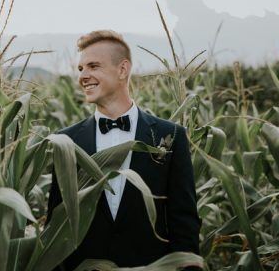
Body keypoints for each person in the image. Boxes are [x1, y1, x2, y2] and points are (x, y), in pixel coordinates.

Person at [47, 30, 200, 269]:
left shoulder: (170, 136)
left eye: (93, 66)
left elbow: (184, 223)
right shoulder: (65, 142)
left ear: (122, 69)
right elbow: (55, 229)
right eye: (80, 69)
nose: (83, 76)